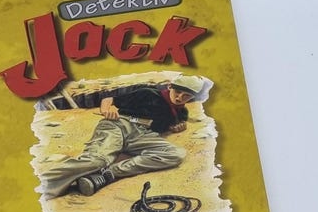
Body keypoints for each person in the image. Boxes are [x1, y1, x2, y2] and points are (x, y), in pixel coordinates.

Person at [40, 75, 208, 198]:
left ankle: (108, 174)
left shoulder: (182, 112)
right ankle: (44, 187)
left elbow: (173, 125)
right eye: (178, 92)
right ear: (170, 86)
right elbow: (109, 99)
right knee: (98, 160)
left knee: (176, 154)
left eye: (186, 96)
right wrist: (107, 109)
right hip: (119, 125)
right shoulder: (148, 93)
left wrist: (178, 127)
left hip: (144, 136)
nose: (179, 97)